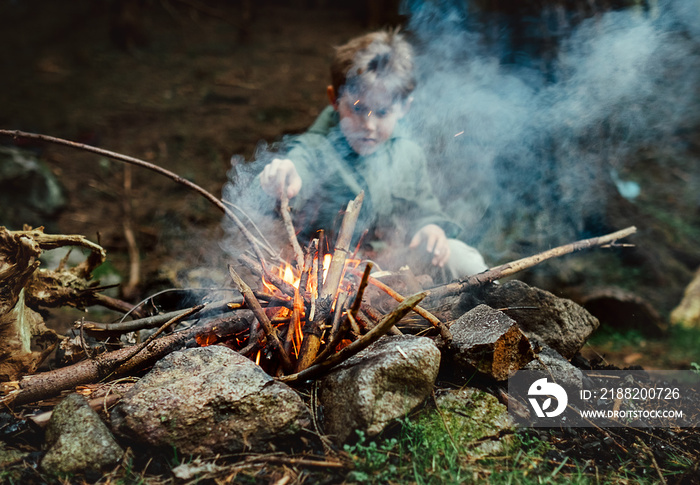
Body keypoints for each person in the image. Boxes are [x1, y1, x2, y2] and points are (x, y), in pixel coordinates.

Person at [255, 29, 487, 281]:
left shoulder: (408, 153)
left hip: (392, 270)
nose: (369, 125)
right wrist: (285, 175)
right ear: (334, 99)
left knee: (462, 260)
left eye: (382, 112)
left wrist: (430, 228)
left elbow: (424, 210)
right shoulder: (316, 146)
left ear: (404, 107)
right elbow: (299, 162)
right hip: (328, 280)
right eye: (358, 109)